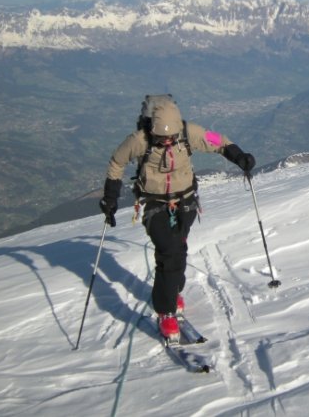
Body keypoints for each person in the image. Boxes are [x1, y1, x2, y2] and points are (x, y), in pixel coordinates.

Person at [99, 100, 255, 340]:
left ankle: (172, 289)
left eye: (172, 138)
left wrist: (240, 157)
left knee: (178, 248)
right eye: (163, 139)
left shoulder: (189, 132)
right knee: (169, 250)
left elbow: (219, 141)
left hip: (186, 201)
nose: (168, 142)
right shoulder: (140, 140)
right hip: (154, 203)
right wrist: (110, 196)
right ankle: (165, 311)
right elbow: (117, 162)